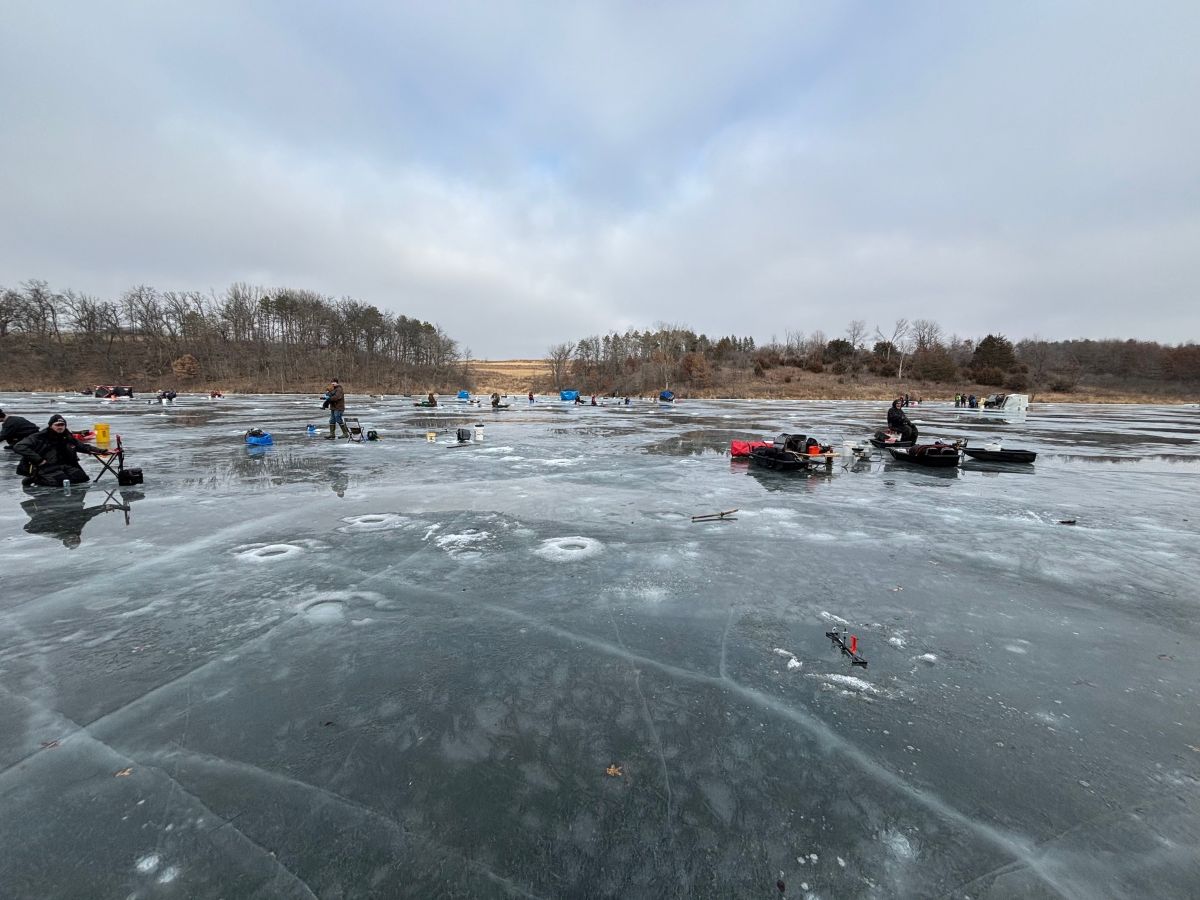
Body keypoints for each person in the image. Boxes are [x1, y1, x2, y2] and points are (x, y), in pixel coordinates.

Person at [14, 415, 108, 486]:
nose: (60, 427)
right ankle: (34, 479)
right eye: (57, 425)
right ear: (51, 426)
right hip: (46, 466)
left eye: (62, 425)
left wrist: (101, 451)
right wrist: (38, 460)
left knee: (81, 479)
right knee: (60, 482)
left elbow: (81, 446)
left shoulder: (67, 436)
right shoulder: (39, 436)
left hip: (65, 465)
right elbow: (19, 446)